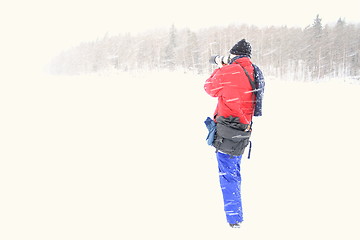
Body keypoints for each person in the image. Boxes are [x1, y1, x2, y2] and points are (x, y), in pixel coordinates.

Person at [204, 39, 265, 228]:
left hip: (227, 131)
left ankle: (234, 220)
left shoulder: (228, 71)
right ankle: (235, 214)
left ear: (234, 55)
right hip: (244, 129)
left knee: (228, 175)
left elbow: (209, 87)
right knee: (234, 172)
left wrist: (221, 67)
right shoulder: (255, 71)